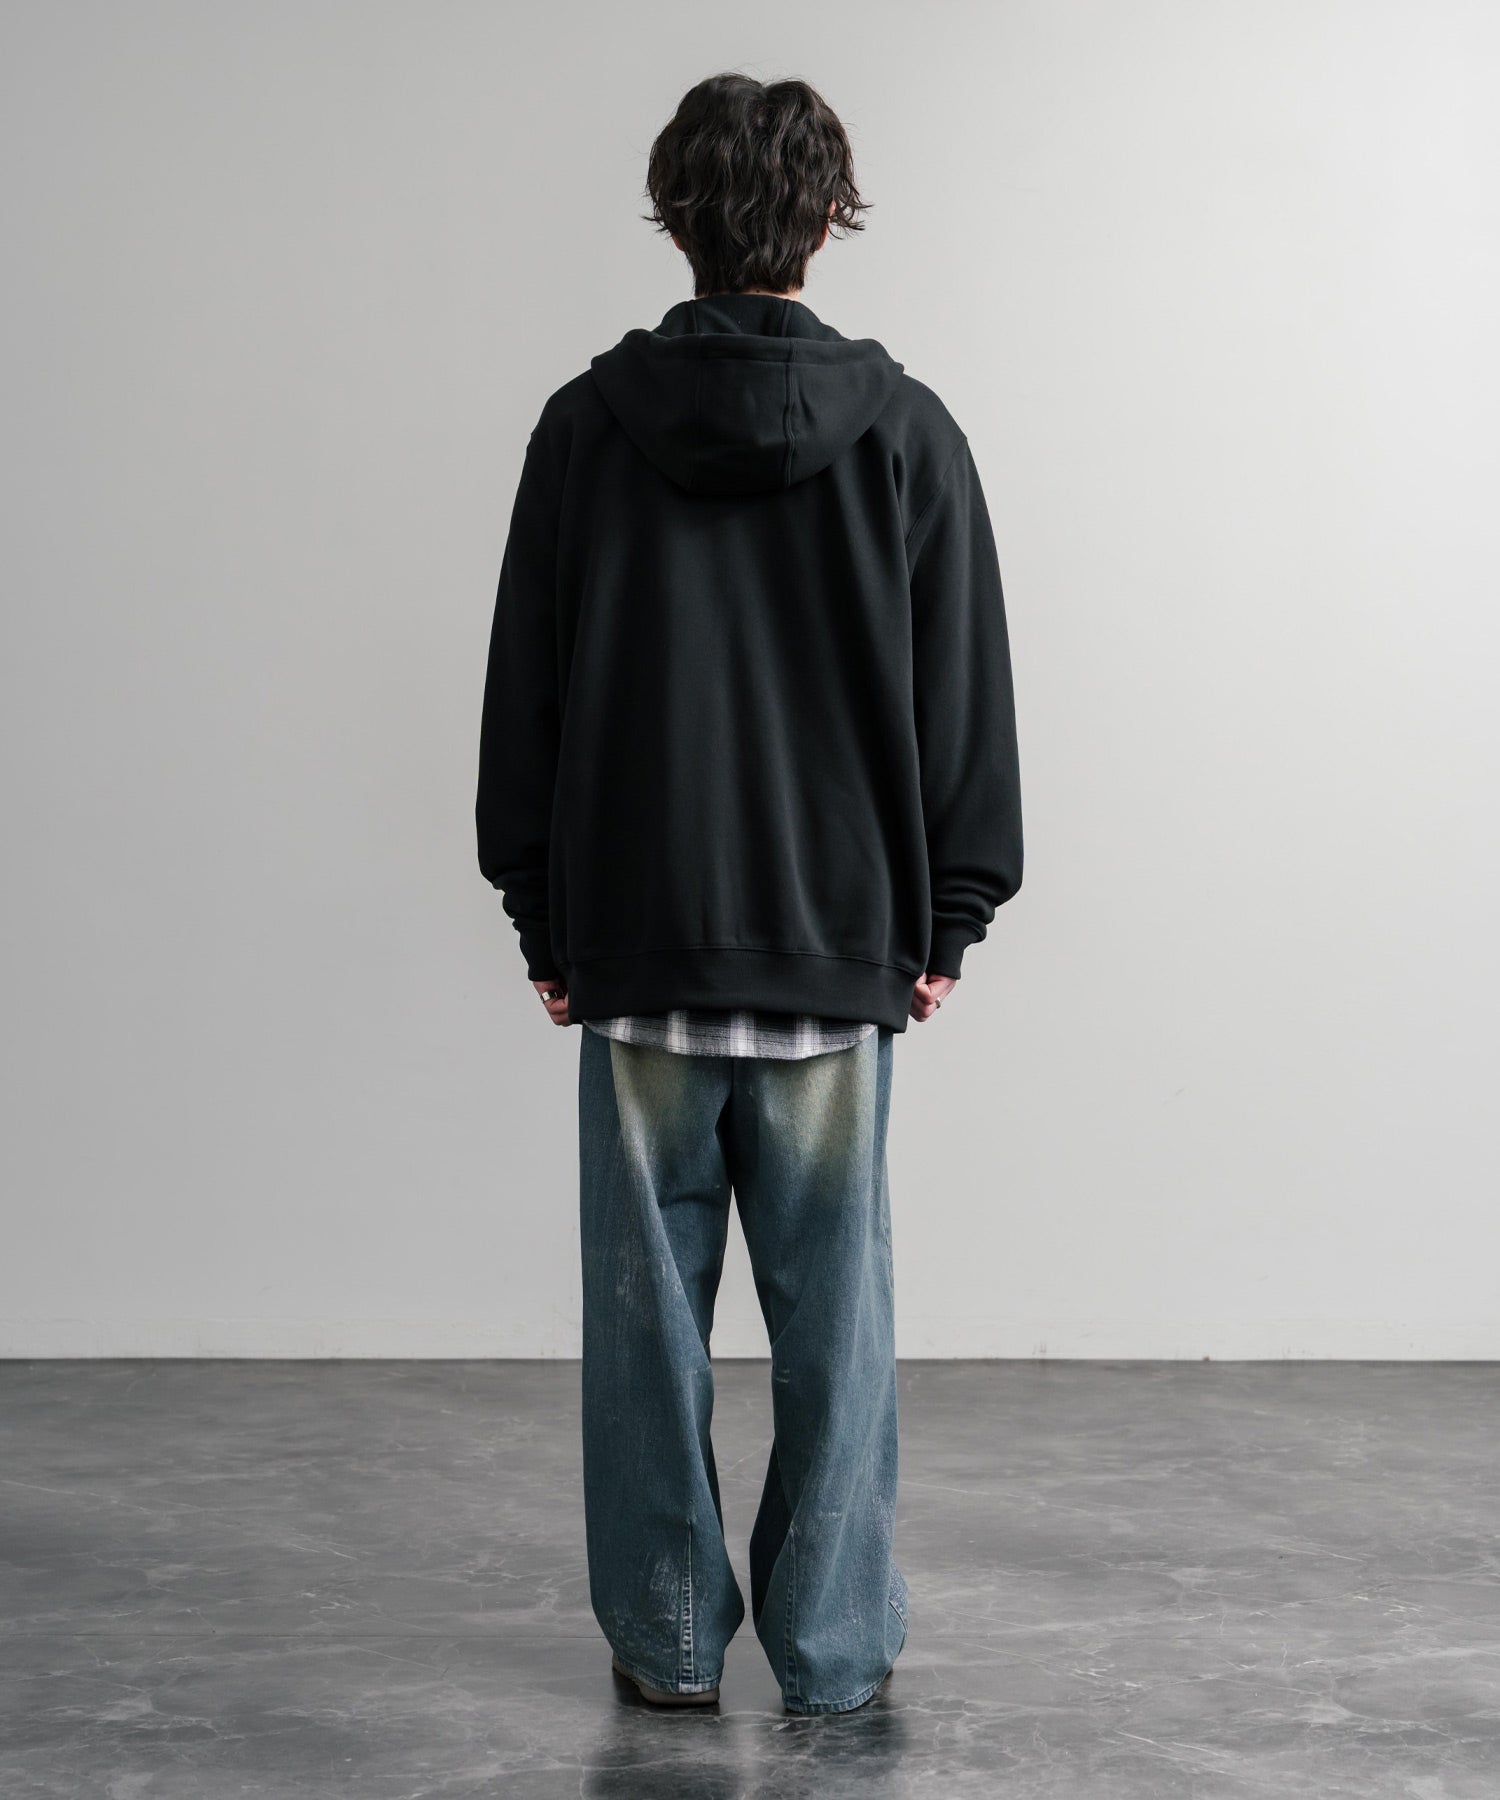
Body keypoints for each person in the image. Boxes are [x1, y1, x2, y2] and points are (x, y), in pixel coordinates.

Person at [475, 71, 1022, 1715]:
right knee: (837, 1330)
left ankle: (664, 1644)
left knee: (643, 1335)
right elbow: (965, 694)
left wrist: (542, 912)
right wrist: (951, 916)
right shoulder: (908, 433)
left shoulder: (587, 429)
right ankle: (834, 1651)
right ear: (826, 219)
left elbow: (527, 691)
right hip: (836, 958)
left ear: (675, 219)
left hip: (641, 951)